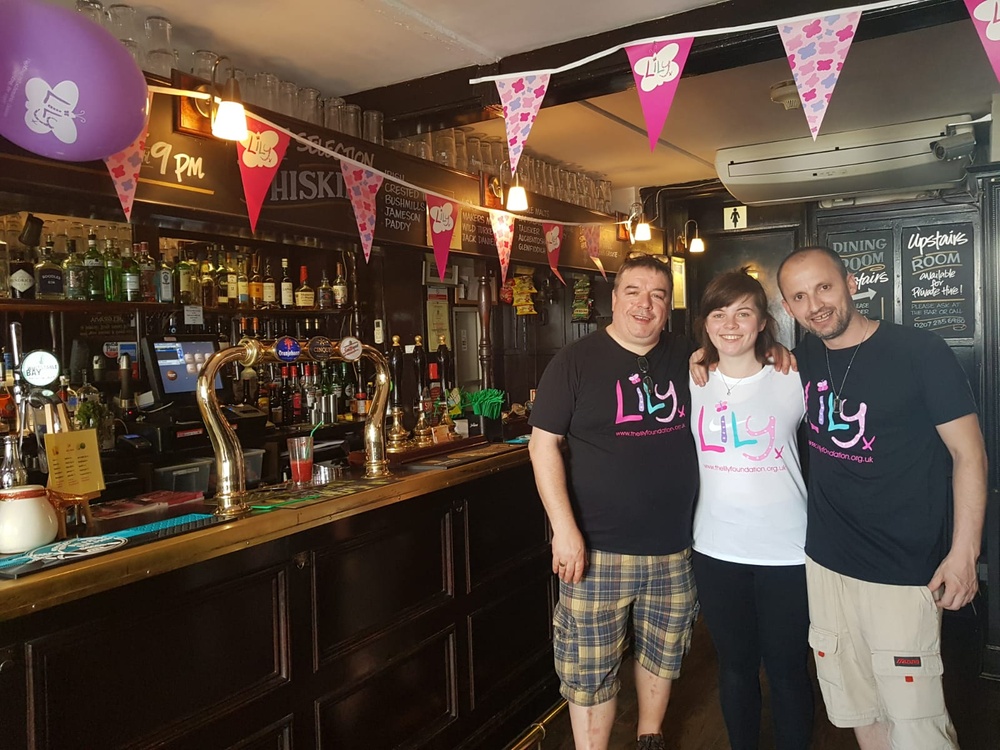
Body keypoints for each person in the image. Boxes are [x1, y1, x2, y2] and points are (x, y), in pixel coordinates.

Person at [776, 246, 987, 750]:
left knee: (918, 723)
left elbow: (970, 456)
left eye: (824, 287)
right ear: (788, 308)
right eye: (799, 297)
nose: (815, 305)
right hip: (826, 563)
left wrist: (965, 553)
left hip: (902, 568)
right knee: (856, 706)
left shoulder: (920, 351)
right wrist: (703, 356)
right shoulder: (801, 356)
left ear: (851, 283)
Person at [528, 253, 699, 750]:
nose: (645, 305)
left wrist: (779, 355)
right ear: (613, 299)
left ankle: (650, 737)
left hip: (674, 546)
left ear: (668, 307)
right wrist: (564, 530)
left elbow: (745, 361)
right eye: (634, 292)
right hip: (596, 549)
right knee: (589, 664)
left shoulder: (689, 357)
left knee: (664, 652)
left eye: (658, 296)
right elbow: (543, 447)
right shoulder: (575, 362)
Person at [689, 269, 813, 750]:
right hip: (716, 548)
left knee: (786, 669)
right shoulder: (692, 377)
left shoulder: (793, 375)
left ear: (764, 321)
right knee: (736, 667)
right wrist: (698, 356)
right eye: (719, 314)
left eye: (744, 312)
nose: (731, 324)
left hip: (787, 550)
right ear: (706, 323)